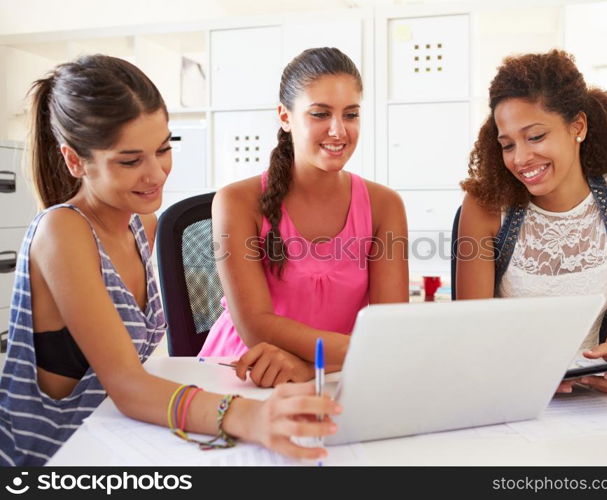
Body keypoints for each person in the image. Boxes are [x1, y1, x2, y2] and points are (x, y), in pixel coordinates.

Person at [0, 55, 339, 466]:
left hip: (115, 437)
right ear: (75, 160)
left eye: (163, 149)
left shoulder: (142, 224)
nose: (156, 173)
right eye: (130, 160)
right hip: (55, 456)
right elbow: (126, 383)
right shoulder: (62, 232)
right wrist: (248, 415)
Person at [456, 50, 607, 395]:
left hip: (592, 398)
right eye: (507, 145)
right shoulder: (484, 206)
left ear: (577, 127)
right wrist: (529, 371)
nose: (520, 158)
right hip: (507, 390)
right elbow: (473, 329)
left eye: (535, 137)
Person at [199, 47, 409, 386]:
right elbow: (256, 326)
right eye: (320, 114)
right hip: (249, 372)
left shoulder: (384, 205)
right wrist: (369, 351)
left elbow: (391, 330)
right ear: (285, 117)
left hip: (341, 374)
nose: (339, 131)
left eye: (351, 115)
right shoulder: (236, 202)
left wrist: (313, 369)